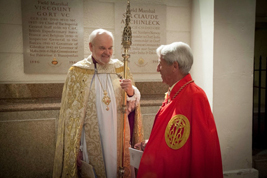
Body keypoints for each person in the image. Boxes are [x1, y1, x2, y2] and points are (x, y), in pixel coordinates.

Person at [53, 29, 143, 178]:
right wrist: (76, 148)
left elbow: (132, 105)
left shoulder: (120, 68)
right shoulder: (78, 72)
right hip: (90, 140)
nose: (107, 52)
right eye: (102, 48)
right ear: (90, 47)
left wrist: (131, 92)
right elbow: (71, 117)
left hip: (119, 138)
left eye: (110, 48)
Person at [135, 42, 223, 178]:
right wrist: (151, 143)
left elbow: (200, 147)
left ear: (174, 66)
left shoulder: (195, 96)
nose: (158, 69)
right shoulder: (176, 92)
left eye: (161, 64)